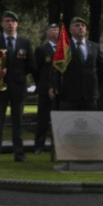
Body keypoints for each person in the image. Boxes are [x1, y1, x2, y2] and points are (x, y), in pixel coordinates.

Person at [0, 11, 36, 164]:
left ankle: (19, 154)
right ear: (2, 23)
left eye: (13, 21)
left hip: (18, 88)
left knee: (18, 123)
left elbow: (31, 65)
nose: (10, 24)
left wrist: (19, 75)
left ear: (17, 24)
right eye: (7, 21)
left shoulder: (25, 42)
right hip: (0, 87)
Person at [50, 18, 103, 111]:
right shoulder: (64, 47)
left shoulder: (95, 47)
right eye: (77, 25)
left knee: (90, 120)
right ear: (71, 30)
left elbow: (101, 67)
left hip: (90, 95)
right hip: (69, 96)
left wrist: (95, 84)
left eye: (83, 26)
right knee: (67, 120)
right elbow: (56, 70)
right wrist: (54, 86)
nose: (80, 27)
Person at [33, 23, 59, 154]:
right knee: (43, 119)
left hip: (60, 89)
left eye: (58, 29)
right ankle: (39, 146)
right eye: (53, 29)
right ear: (48, 33)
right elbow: (36, 70)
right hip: (45, 91)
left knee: (60, 118)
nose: (56, 31)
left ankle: (60, 146)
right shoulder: (42, 50)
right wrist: (42, 85)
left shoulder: (65, 49)